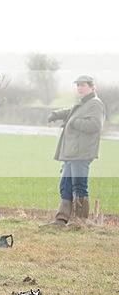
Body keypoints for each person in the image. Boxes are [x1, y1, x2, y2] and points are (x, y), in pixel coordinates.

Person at [40, 74, 105, 228]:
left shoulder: (95, 104)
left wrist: (74, 122)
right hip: (71, 153)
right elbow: (68, 111)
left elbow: (95, 125)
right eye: (78, 86)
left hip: (82, 153)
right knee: (65, 185)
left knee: (79, 185)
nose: (80, 88)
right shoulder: (82, 104)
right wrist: (55, 115)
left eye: (83, 85)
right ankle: (61, 220)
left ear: (91, 87)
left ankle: (80, 222)